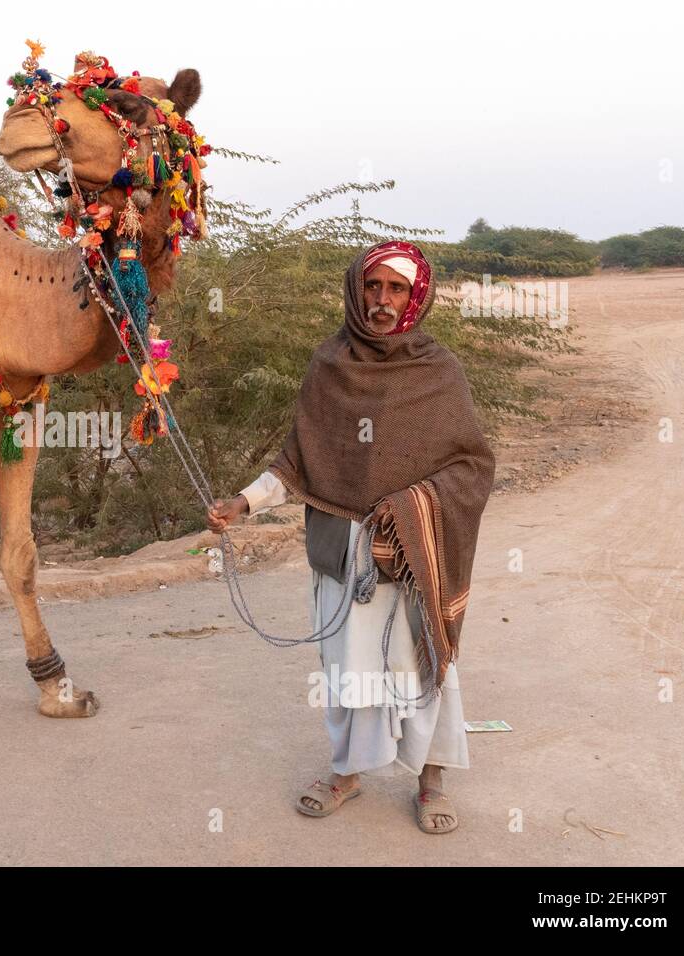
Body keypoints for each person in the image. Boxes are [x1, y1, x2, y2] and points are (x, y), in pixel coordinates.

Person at [206, 241, 495, 834]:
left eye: (395, 289)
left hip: (415, 552)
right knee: (349, 667)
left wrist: (412, 507)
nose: (383, 300)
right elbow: (298, 461)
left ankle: (430, 776)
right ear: (356, 290)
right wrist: (244, 502)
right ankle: (348, 772)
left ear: (416, 297)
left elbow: (472, 465)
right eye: (373, 287)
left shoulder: (437, 371)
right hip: (342, 547)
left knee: (420, 663)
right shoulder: (329, 364)